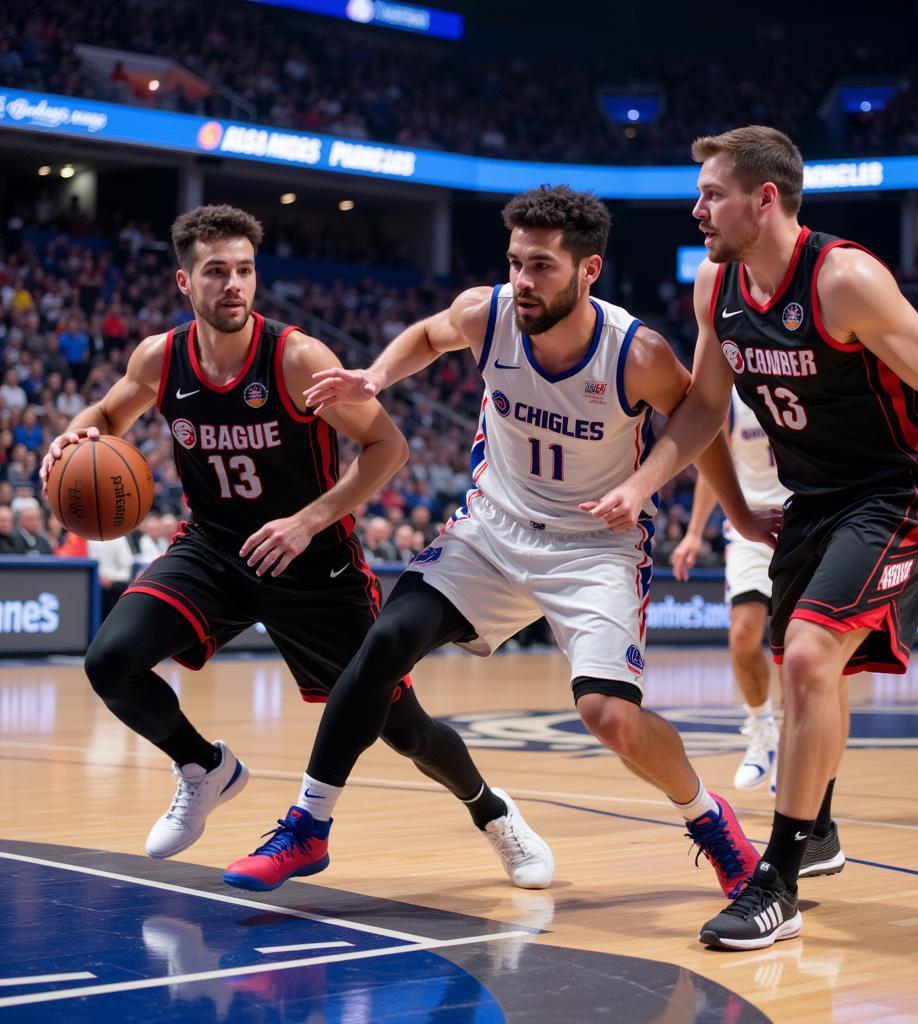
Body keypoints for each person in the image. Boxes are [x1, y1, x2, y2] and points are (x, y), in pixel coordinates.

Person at [223, 185, 778, 899]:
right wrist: (376, 375)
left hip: (592, 547)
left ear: (589, 270)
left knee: (608, 716)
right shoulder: (487, 314)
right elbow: (428, 335)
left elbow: (702, 416)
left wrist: (656, 488)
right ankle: (308, 826)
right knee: (383, 642)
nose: (522, 280)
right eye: (515, 262)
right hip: (493, 530)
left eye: (542, 265)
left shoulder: (634, 352)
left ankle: (710, 821)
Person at [583, 127, 918, 950]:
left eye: (713, 193)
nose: (697, 207)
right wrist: (644, 484)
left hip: (896, 492)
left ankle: (775, 880)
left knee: (816, 656)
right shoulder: (718, 286)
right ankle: (814, 827)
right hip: (809, 500)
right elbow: (706, 408)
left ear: (765, 198)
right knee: (802, 670)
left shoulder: (845, 279)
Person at [41, 204, 550, 887]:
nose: (233, 286)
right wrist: (74, 437)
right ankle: (204, 767)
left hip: (314, 563)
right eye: (215, 272)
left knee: (404, 729)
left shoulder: (295, 357)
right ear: (182, 283)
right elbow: (106, 415)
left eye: (244, 271)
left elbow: (387, 447)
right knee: (110, 661)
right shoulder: (161, 357)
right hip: (215, 549)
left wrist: (310, 519)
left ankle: (493, 814)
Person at [672, 388, 787, 792]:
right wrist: (692, 533)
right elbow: (710, 465)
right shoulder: (731, 397)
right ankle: (762, 732)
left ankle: (797, 744)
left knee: (800, 649)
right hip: (750, 528)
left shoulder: (801, 373)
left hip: (807, 524)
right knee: (742, 636)